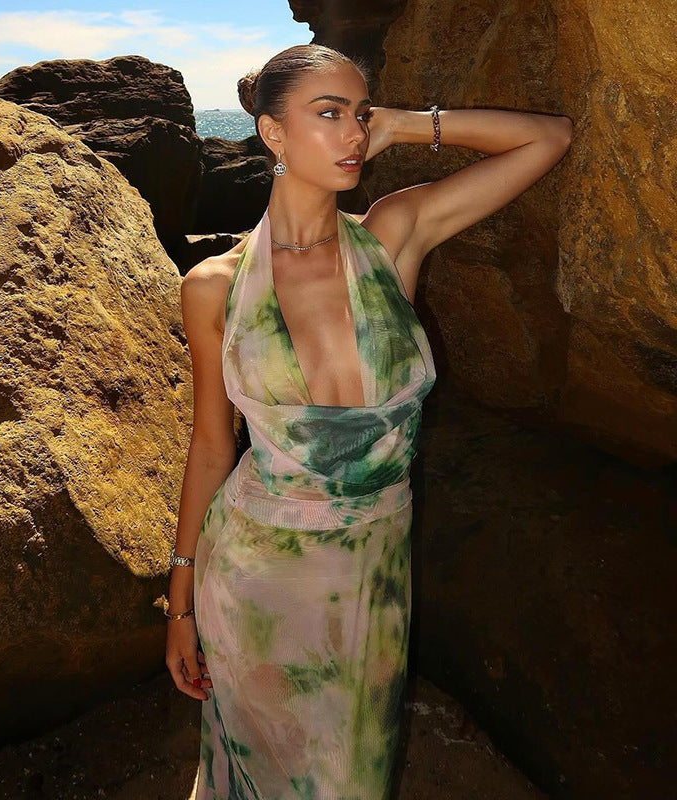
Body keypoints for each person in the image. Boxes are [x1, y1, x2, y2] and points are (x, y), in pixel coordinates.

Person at [166, 43, 572, 800]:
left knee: (355, 776)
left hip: (371, 581)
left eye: (360, 114)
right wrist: (180, 602)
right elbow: (211, 444)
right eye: (328, 114)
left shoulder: (393, 236)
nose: (354, 133)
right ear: (271, 134)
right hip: (254, 575)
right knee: (256, 770)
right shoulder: (213, 287)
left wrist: (410, 126)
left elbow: (550, 138)